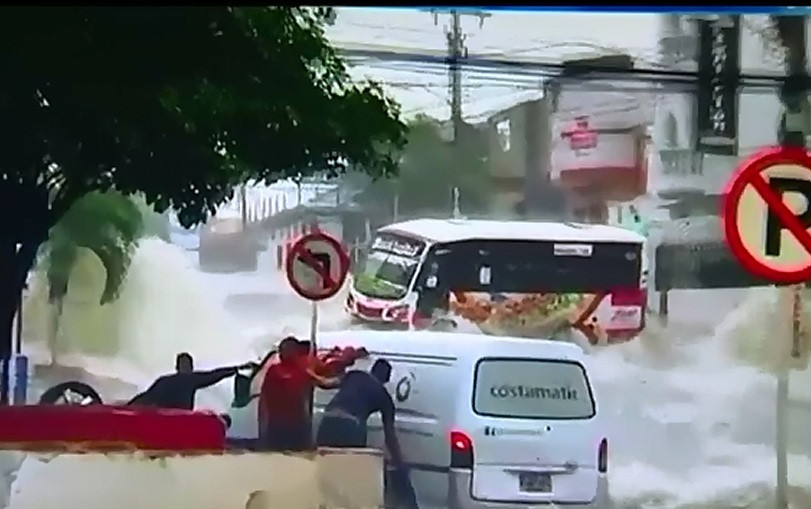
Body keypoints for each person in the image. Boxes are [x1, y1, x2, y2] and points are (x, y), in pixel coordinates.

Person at [316, 359, 417, 508]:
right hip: (351, 425)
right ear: (386, 379)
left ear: (372, 370)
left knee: (324, 469)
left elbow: (325, 383)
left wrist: (311, 373)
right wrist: (399, 462)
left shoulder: (354, 375)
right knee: (349, 473)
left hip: (328, 419)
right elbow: (390, 437)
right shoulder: (384, 397)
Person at [259, 336, 338, 451]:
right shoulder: (275, 370)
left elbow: (324, 382)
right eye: (282, 350)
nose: (282, 353)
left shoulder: (302, 370)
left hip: (297, 423)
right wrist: (262, 421)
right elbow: (264, 397)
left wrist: (343, 379)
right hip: (278, 423)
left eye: (286, 350)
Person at [128, 352, 250, 410]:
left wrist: (236, 369)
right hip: (172, 418)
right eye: (184, 365)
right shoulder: (165, 382)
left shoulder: (190, 380)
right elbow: (147, 396)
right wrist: (129, 407)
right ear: (177, 368)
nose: (186, 368)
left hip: (183, 418)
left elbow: (214, 375)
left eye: (187, 366)